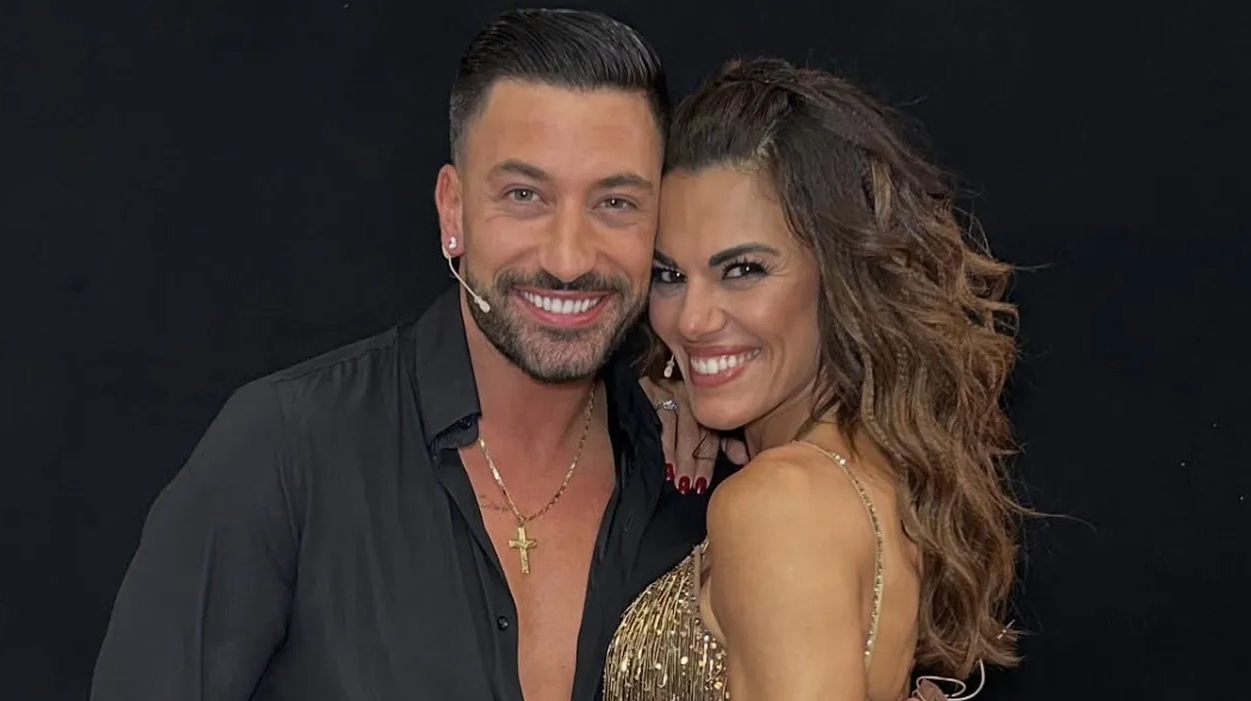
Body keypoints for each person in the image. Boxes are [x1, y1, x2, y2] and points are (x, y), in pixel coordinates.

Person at [89, 9, 730, 701]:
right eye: (524, 196)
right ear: (453, 212)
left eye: (615, 202)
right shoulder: (285, 451)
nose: (569, 258)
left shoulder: (696, 484)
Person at [602, 58, 1026, 701]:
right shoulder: (870, 477)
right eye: (669, 275)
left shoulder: (776, 507)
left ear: (839, 276)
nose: (691, 319)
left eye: (743, 270)